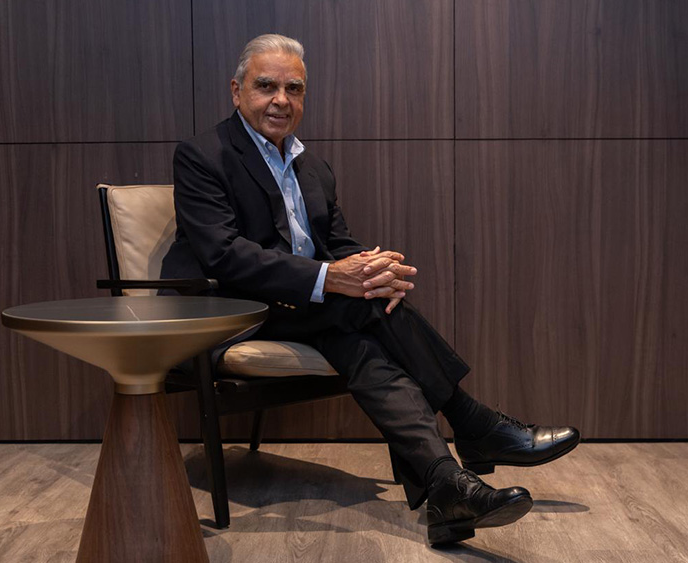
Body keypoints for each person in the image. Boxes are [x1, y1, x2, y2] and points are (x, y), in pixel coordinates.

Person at [160, 33, 580, 544]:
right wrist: (332, 278)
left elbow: (336, 243)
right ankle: (474, 424)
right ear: (236, 91)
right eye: (266, 86)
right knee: (358, 311)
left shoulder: (313, 166)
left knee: (363, 334)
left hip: (303, 308)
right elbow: (224, 255)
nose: (281, 100)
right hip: (224, 309)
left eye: (294, 89)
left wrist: (375, 270)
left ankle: (447, 487)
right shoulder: (203, 155)